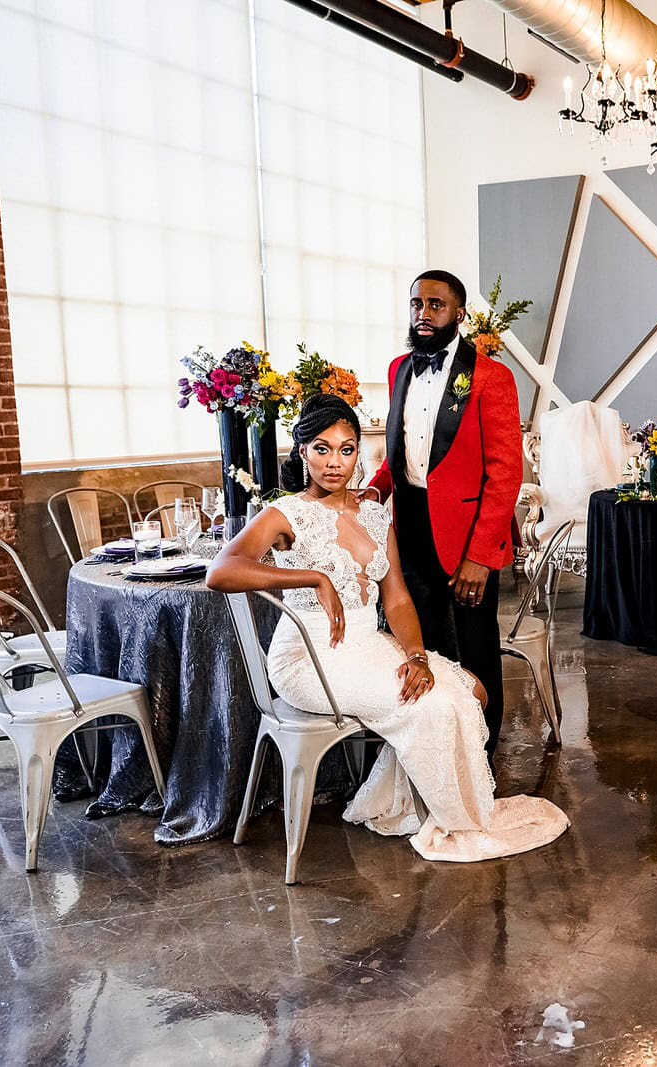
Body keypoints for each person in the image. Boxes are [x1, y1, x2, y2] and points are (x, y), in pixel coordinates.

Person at [206, 395, 565, 862]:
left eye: (346, 449)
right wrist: (312, 578)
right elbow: (221, 571)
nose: (334, 462)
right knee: (435, 705)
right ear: (302, 452)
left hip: (368, 644)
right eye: (322, 449)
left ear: (358, 453)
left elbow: (396, 598)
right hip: (310, 657)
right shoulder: (286, 513)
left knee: (472, 690)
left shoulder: (376, 515)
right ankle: (457, 819)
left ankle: (405, 803)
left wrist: (416, 655)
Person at [366, 269, 522, 762]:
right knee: (421, 645)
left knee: (474, 652)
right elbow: (400, 455)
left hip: (466, 538)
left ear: (459, 313)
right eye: (417, 304)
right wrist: (373, 491)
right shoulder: (399, 369)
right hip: (409, 527)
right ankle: (432, 752)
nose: (424, 313)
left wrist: (481, 556)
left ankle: (480, 757)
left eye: (436, 305)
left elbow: (506, 474)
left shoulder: (490, 377)